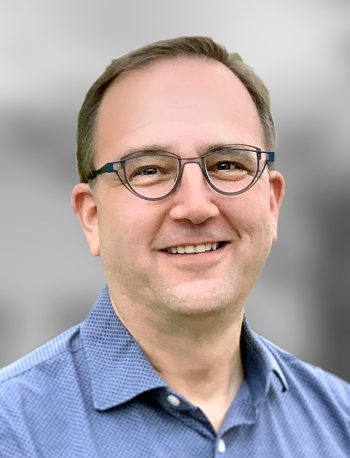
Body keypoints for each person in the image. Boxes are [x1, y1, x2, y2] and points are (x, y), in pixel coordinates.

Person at [0, 36, 349, 457]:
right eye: (149, 170)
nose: (196, 207)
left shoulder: (339, 422)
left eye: (227, 165)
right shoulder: (14, 430)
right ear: (91, 216)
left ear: (272, 203)